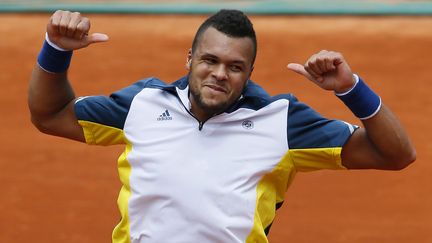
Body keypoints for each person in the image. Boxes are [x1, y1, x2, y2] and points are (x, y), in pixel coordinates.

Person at [28, 9, 416, 243]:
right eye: (209, 60)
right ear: (189, 58)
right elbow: (50, 113)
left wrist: (351, 89)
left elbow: (397, 154)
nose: (219, 74)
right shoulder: (143, 103)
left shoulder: (281, 120)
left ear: (249, 73)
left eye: (235, 67)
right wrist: (56, 49)